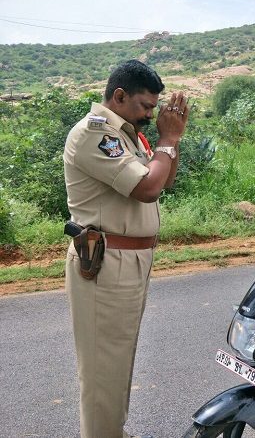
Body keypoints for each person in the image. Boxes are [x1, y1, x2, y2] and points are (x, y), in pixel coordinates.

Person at [63, 60, 189, 438]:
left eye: (154, 108)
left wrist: (173, 141)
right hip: (106, 261)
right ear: (118, 96)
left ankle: (111, 431)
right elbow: (147, 188)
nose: (151, 114)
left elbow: (163, 179)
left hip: (128, 259)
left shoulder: (127, 133)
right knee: (104, 367)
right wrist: (166, 139)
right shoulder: (95, 134)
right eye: (145, 106)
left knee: (118, 359)